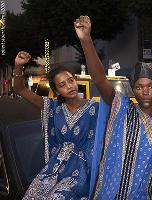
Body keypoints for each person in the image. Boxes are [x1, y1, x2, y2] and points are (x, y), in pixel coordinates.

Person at [74, 16, 152, 199]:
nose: (145, 92)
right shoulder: (123, 109)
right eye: (138, 87)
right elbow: (99, 79)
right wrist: (86, 40)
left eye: (151, 86)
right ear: (132, 89)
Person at [13, 51, 100, 199]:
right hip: (53, 170)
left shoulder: (95, 108)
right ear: (57, 92)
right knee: (32, 196)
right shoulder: (52, 107)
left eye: (71, 80)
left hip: (81, 172)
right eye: (62, 85)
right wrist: (18, 66)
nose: (69, 86)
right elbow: (19, 89)